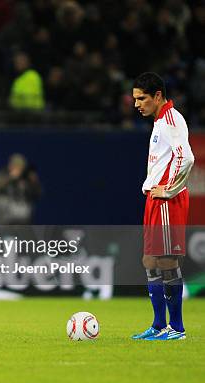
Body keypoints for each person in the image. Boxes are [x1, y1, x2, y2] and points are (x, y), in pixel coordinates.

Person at [131, 72, 194, 341]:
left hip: (166, 200)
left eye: (142, 98)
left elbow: (187, 157)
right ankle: (158, 325)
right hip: (154, 200)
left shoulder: (171, 119)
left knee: (167, 261)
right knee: (149, 260)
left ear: (158, 96)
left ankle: (176, 328)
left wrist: (169, 189)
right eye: (135, 99)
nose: (136, 104)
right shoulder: (159, 121)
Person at [0, 153, 41, 225]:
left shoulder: (26, 180)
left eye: (21, 167)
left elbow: (38, 193)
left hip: (24, 221)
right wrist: (11, 178)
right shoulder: (2, 175)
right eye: (16, 166)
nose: (18, 169)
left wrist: (33, 182)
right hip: (5, 220)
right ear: (10, 166)